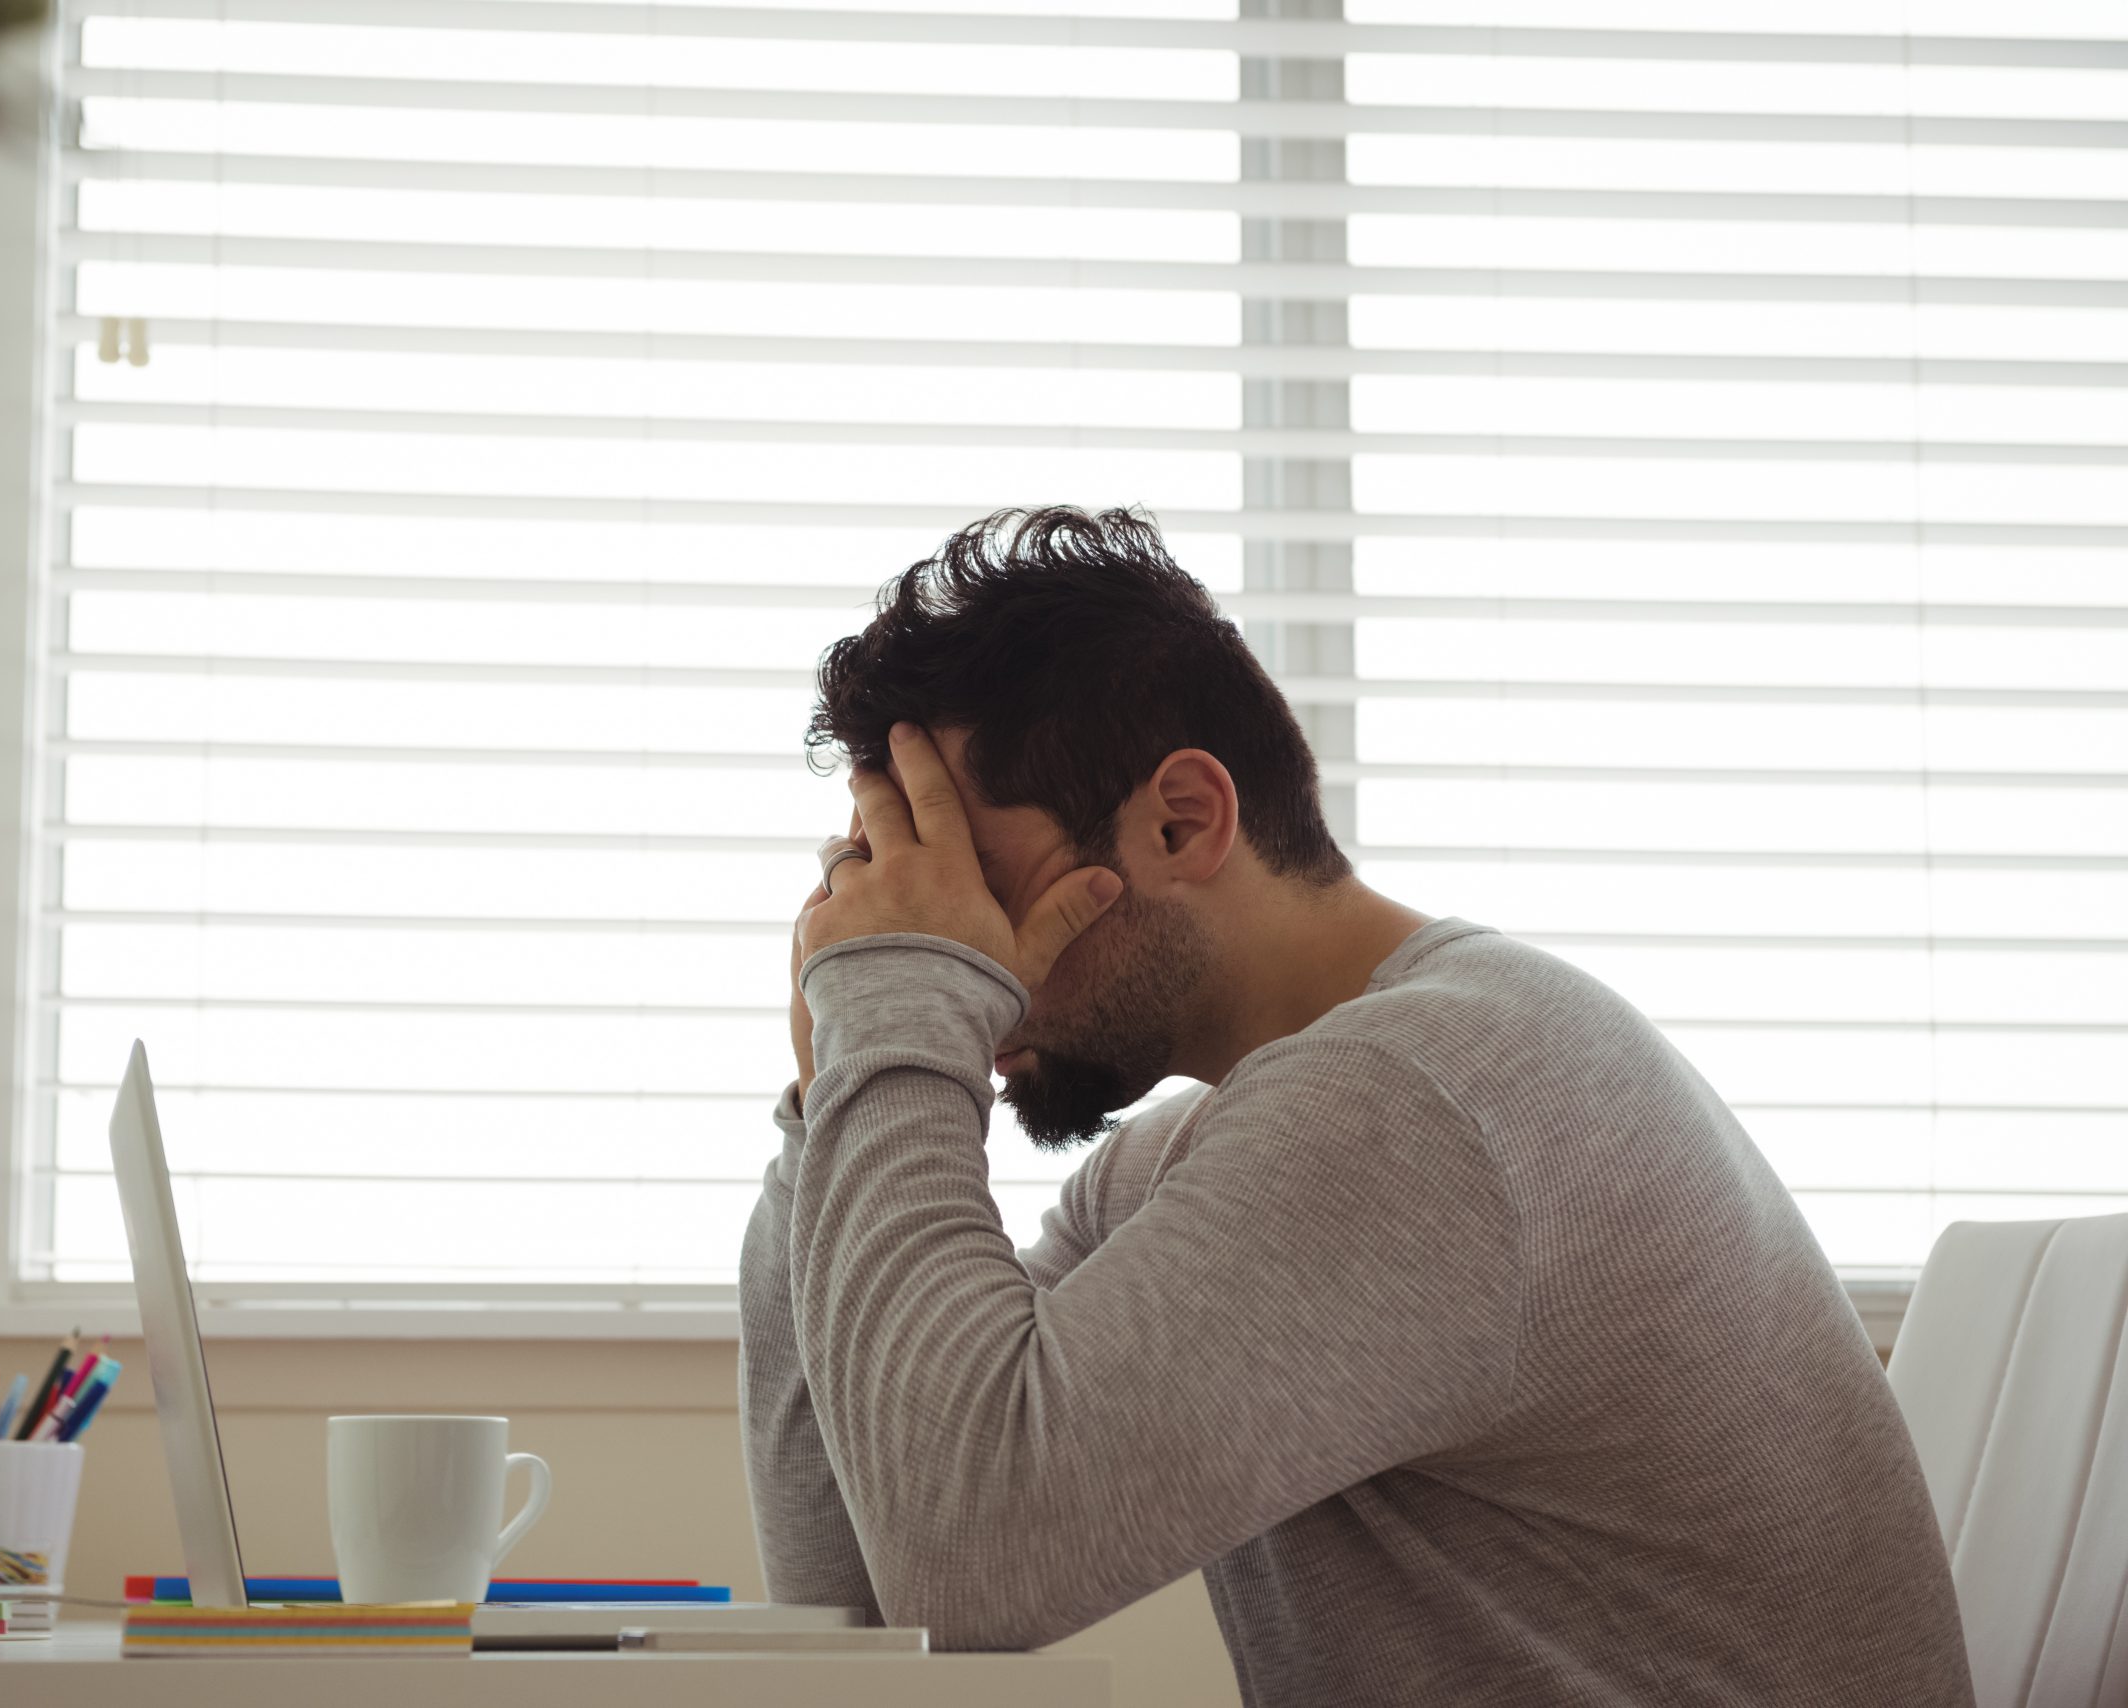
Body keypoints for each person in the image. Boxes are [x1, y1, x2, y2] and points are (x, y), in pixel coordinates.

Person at [737, 506, 1973, 1706]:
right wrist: (827, 1095)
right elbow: (871, 1590)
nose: (964, 963)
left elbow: (969, 1557)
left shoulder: (1419, 1102)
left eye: (972, 889)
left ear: (1183, 820)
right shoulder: (1232, 1147)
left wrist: (899, 1011)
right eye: (903, 897)